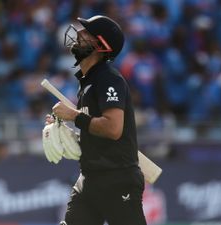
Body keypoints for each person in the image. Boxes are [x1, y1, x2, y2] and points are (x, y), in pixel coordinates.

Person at [48, 15, 147, 225]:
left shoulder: (108, 78)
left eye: (87, 33)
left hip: (117, 179)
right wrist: (65, 130)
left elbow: (113, 128)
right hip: (90, 178)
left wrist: (73, 115)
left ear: (101, 45)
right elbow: (94, 130)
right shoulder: (88, 81)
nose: (79, 34)